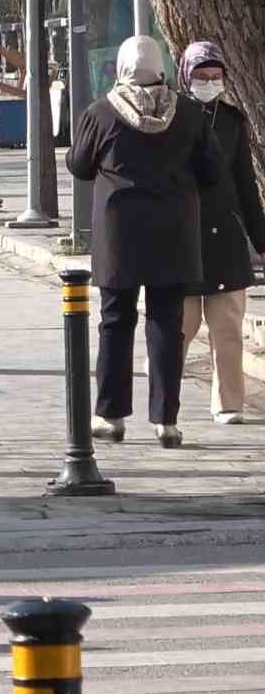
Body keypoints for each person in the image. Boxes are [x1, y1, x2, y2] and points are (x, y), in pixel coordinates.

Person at [66, 35, 219, 450]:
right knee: (167, 325)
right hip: (174, 234)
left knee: (115, 321)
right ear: (160, 69)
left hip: (120, 235)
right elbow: (212, 171)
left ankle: (110, 415)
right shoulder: (188, 113)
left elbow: (79, 165)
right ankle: (166, 421)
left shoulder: (101, 113)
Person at [178, 41, 265, 425]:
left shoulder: (232, 120)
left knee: (227, 325)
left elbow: (246, 184)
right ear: (185, 76)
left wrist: (261, 239)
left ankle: (228, 403)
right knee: (182, 323)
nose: (209, 83)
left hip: (225, 235)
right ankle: (163, 394)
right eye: (201, 76)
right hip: (181, 234)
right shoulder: (173, 115)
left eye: (215, 77)